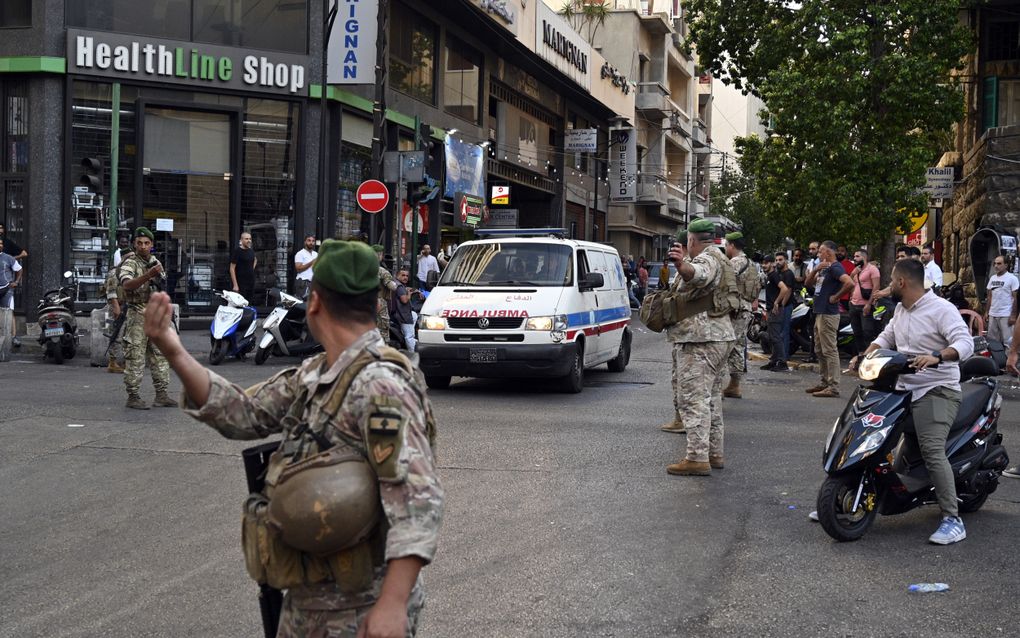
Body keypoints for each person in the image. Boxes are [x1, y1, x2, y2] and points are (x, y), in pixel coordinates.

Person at [141, 239, 444, 636]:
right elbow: (243, 414)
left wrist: (392, 603)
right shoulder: (317, 373)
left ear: (314, 302)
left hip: (362, 606)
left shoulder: (381, 386)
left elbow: (418, 500)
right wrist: (174, 350)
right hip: (308, 599)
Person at [849, 258, 973, 544]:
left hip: (937, 389)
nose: (890, 285)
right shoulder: (901, 311)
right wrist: (863, 356)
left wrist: (937, 356)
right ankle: (851, 495)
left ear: (902, 282)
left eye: (892, 280)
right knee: (872, 436)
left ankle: (952, 519)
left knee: (931, 450)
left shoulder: (941, 309)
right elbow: (885, 338)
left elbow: (965, 342)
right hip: (902, 389)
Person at [664, 219, 736, 476]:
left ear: (692, 241)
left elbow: (699, 275)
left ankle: (696, 457)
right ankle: (714, 453)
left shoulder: (706, 259)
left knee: (693, 399)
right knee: (712, 399)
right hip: (719, 337)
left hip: (701, 340)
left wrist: (682, 265)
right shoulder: (721, 257)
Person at [119, 228, 174, 410]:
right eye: (139, 243)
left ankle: (162, 394)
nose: (143, 246)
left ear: (151, 245)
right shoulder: (130, 263)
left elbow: (163, 285)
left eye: (146, 243)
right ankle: (133, 396)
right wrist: (148, 275)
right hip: (137, 314)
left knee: (160, 356)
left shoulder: (155, 262)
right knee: (135, 356)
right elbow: (127, 285)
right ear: (135, 244)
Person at [804, 241, 853, 398]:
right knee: (819, 349)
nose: (818, 254)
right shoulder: (824, 269)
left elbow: (849, 283)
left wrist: (835, 297)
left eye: (821, 252)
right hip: (819, 312)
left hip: (828, 313)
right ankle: (824, 381)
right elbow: (808, 284)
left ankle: (833, 386)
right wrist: (815, 270)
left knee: (829, 350)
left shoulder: (835, 267)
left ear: (829, 253)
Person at [723, 232, 757, 398]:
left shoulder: (733, 263)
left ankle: (718, 385)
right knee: (737, 346)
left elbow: (722, 283)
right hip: (746, 308)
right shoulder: (751, 263)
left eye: (726, 244)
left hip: (735, 310)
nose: (725, 247)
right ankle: (734, 385)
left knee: (724, 345)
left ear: (732, 245)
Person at [661, 233, 689, 434]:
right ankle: (679, 418)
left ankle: (684, 421)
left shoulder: (691, 267)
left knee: (684, 381)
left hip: (689, 335)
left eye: (678, 246)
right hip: (682, 333)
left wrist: (681, 264)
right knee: (677, 378)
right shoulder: (684, 267)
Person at [101, 245, 133, 373]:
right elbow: (111, 291)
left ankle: (125, 362)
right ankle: (112, 362)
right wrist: (116, 307)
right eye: (130, 258)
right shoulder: (116, 272)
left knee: (127, 336)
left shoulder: (129, 271)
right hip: (116, 307)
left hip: (126, 306)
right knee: (116, 335)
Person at [762, 253, 795, 372]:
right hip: (771, 310)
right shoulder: (770, 276)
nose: (764, 265)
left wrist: (777, 302)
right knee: (773, 337)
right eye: (763, 263)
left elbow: (785, 289)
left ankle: (782, 362)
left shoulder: (774, 276)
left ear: (772, 264)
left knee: (776, 337)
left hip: (775, 311)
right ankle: (774, 361)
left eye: (766, 263)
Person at [849, 249, 881, 368]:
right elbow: (851, 283)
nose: (855, 258)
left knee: (867, 331)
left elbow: (876, 287)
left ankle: (869, 357)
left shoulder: (872, 269)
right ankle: (860, 355)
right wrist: (853, 274)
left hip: (865, 305)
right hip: (854, 304)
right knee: (857, 332)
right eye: (854, 256)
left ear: (864, 257)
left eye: (857, 256)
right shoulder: (856, 270)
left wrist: (869, 304)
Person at [984, 255, 1018, 346]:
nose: (996, 266)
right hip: (993, 314)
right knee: (992, 341)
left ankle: (1008, 360)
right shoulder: (992, 278)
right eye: (995, 263)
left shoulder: (1012, 278)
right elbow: (990, 296)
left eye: (999, 263)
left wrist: (1013, 315)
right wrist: (987, 312)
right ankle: (996, 360)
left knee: (1008, 342)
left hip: (1006, 314)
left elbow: (1016, 298)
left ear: (1006, 265)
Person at [0, 238, 23, 346]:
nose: (0, 245)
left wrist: (16, 282)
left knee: (9, 312)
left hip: (6, 289)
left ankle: (14, 337)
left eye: (1, 243)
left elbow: (19, 269)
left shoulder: (8, 258)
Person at [374, 244, 398, 337]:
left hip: (362, 303)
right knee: (383, 327)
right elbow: (392, 287)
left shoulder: (360, 269)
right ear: (379, 255)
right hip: (379, 302)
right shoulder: (382, 271)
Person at [393, 268, 417, 352]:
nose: (405, 277)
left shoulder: (398, 284)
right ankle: (413, 354)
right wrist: (409, 295)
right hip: (403, 314)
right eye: (403, 275)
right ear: (397, 275)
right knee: (409, 336)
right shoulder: (400, 287)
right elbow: (404, 300)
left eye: (407, 276)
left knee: (414, 315)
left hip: (403, 314)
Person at [230, 231, 257, 303]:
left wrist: (251, 269)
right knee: (240, 304)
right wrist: (235, 285)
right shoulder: (237, 251)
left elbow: (255, 259)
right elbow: (232, 268)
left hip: (251, 282)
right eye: (246, 239)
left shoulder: (251, 251)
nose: (249, 240)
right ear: (241, 240)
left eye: (250, 239)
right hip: (240, 283)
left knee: (249, 303)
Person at [293, 234, 318, 300]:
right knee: (303, 305)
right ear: (305, 242)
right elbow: (298, 269)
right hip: (303, 283)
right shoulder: (300, 254)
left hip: (313, 283)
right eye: (309, 240)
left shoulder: (316, 254)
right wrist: (312, 262)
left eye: (313, 241)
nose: (311, 243)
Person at [835, 245, 856, 311]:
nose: (839, 253)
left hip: (845, 297)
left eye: (842, 251)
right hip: (833, 295)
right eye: (838, 251)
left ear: (846, 253)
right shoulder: (833, 264)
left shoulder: (851, 265)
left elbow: (852, 282)